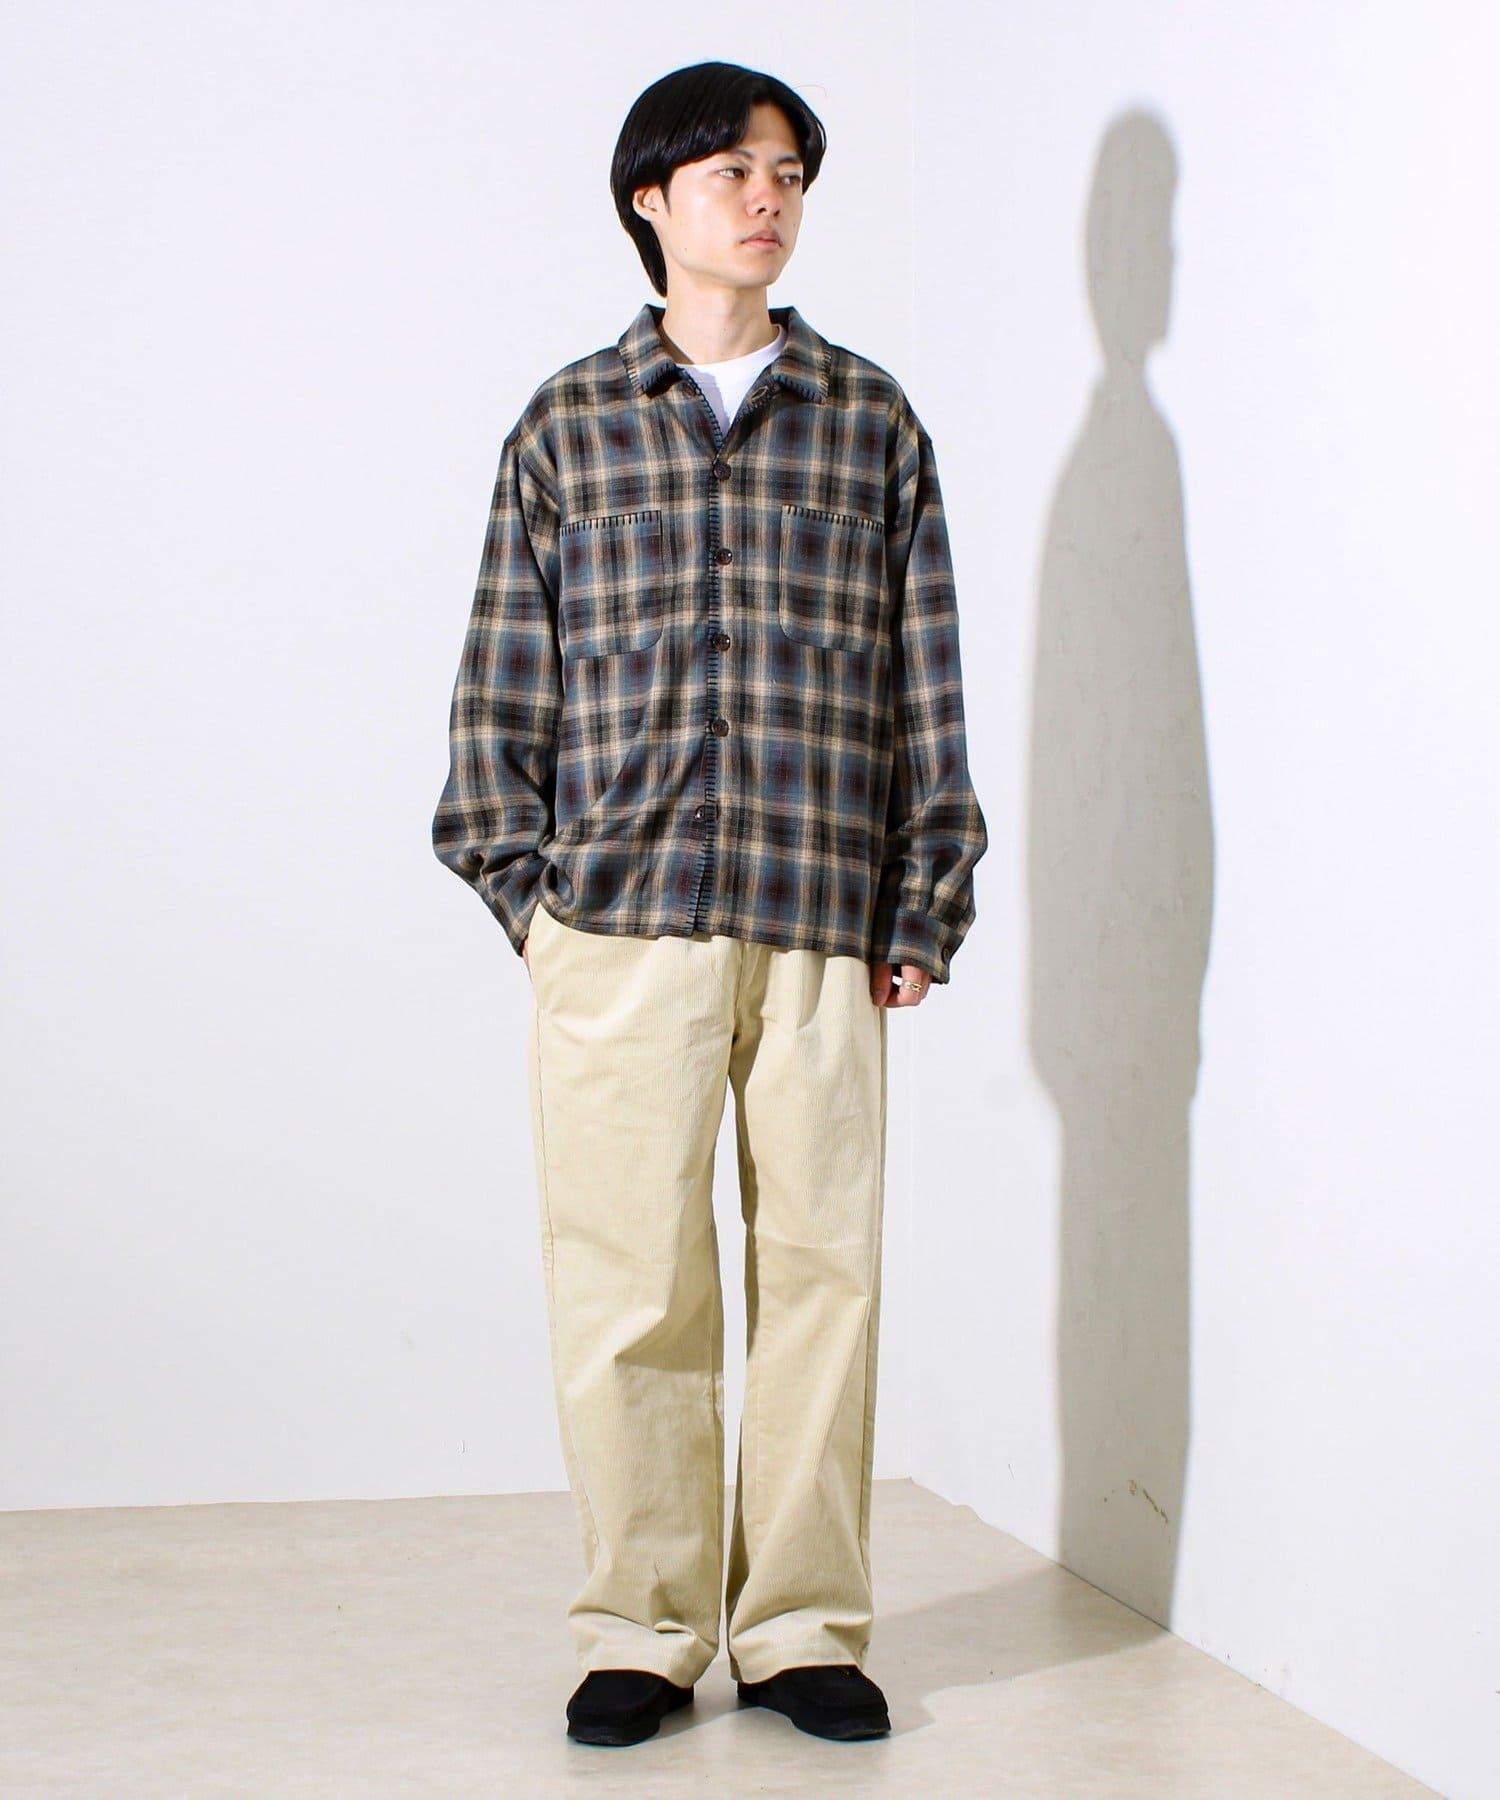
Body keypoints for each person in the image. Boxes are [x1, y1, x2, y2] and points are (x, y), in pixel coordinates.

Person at [431, 59, 988, 1748]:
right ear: (650, 199)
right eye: (735, 170)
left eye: (789, 173)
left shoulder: (871, 421)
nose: (768, 198)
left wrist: (923, 895)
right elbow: (499, 689)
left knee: (824, 1279)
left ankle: (803, 1625)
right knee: (628, 1288)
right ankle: (644, 1627)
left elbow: (925, 679)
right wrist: (533, 903)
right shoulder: (566, 427)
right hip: (616, 928)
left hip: (822, 922)